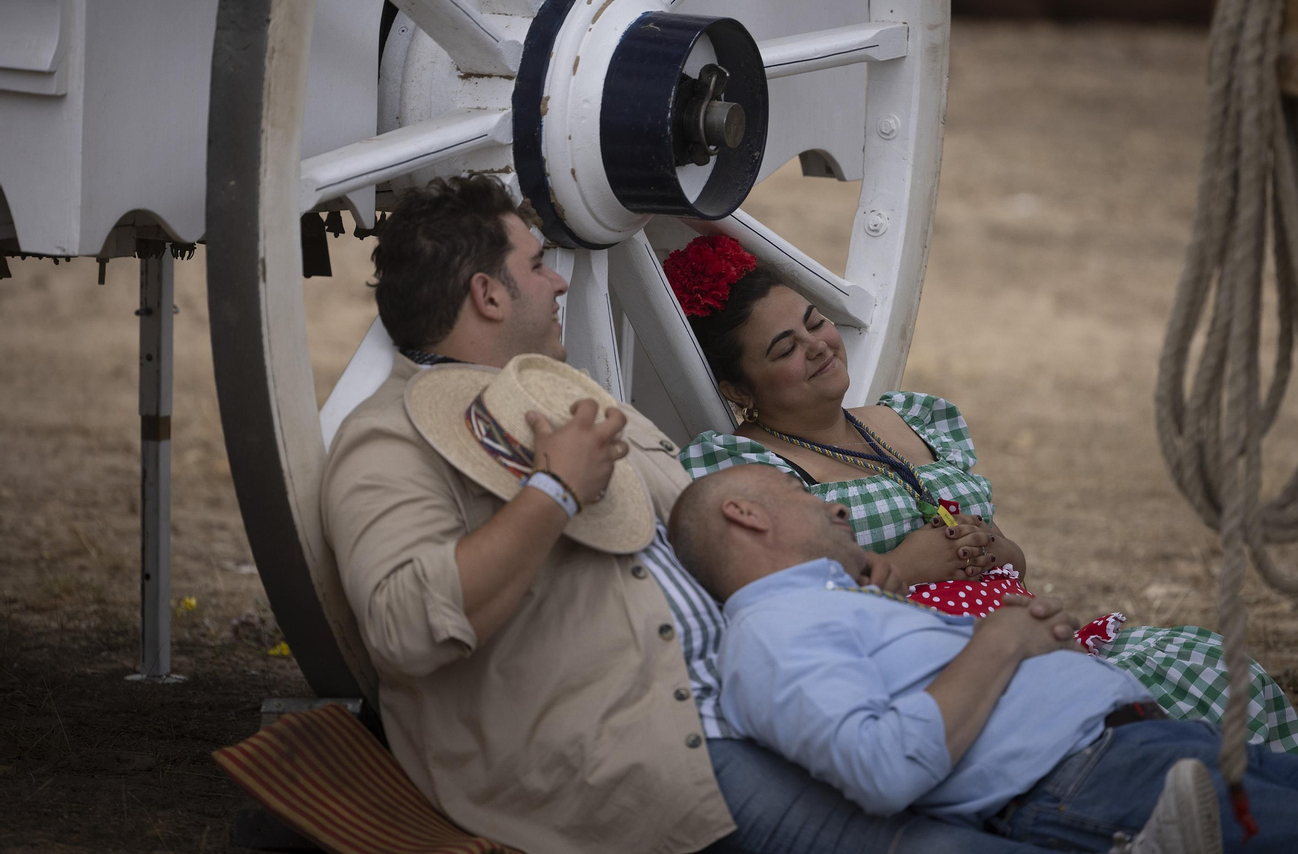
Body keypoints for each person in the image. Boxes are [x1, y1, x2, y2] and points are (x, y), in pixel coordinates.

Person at [319, 174, 1096, 854]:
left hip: (766, 692)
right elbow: (404, 627)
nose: (561, 284)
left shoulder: (567, 397)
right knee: (935, 844)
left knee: (1023, 778)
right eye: (535, 266)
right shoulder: (390, 438)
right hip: (641, 751)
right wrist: (551, 492)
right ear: (488, 295)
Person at [667, 464, 1298, 854]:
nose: (831, 505)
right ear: (746, 516)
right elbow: (878, 766)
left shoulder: (833, 605)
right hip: (1095, 785)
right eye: (798, 491)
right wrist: (998, 644)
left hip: (1145, 745)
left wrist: (1034, 649)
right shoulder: (771, 635)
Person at [668, 234, 1298, 754]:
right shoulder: (746, 468)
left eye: (815, 323)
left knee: (1216, 671)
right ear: (741, 387)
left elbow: (1012, 564)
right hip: (933, 669)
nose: (816, 346)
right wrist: (908, 566)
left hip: (1018, 624)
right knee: (1138, 733)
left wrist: (997, 546)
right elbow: (770, 603)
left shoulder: (911, 420)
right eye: (785, 348)